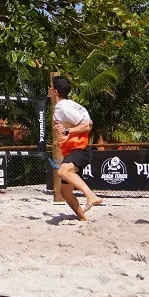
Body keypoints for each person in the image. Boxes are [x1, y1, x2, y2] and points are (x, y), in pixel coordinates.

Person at [49, 76, 103, 221]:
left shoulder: (63, 107)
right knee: (65, 192)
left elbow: (86, 125)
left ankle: (91, 196)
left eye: (50, 87)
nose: (48, 89)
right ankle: (83, 219)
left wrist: (67, 131)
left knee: (62, 171)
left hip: (80, 150)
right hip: (75, 149)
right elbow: (85, 124)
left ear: (54, 91)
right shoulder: (66, 106)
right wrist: (66, 135)